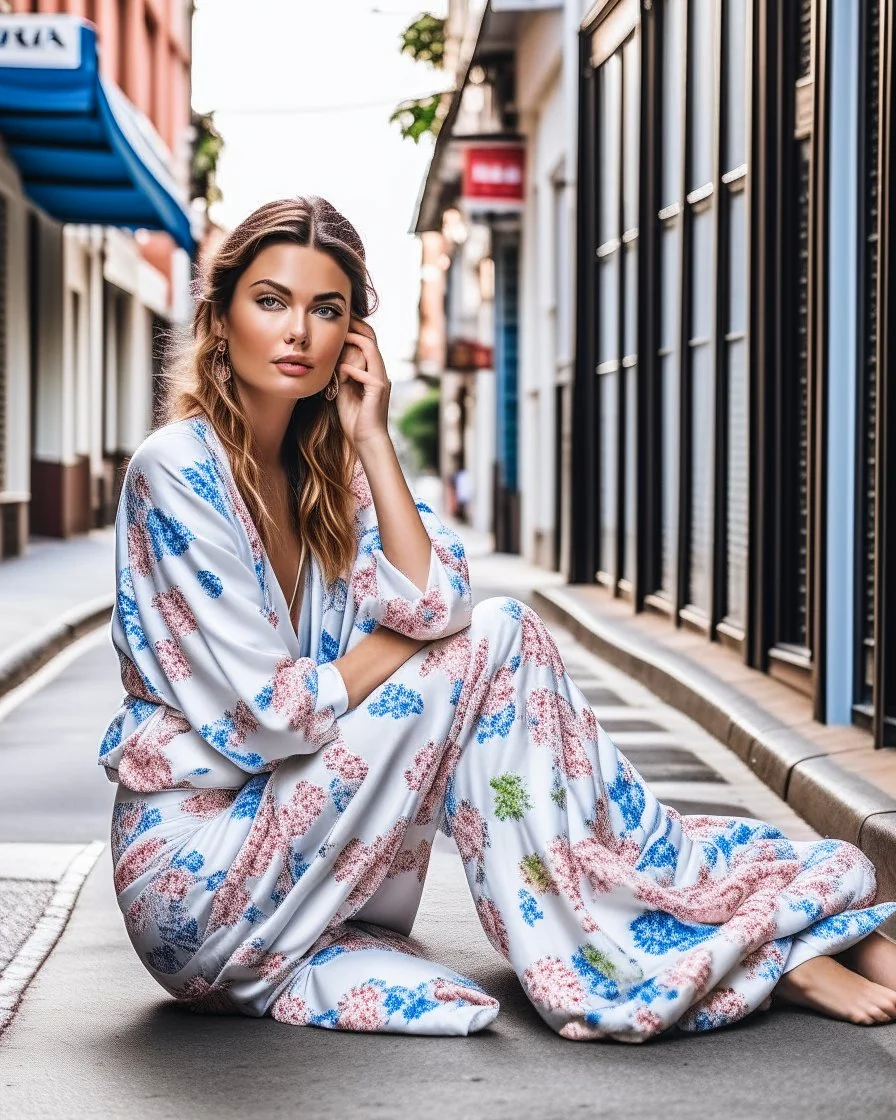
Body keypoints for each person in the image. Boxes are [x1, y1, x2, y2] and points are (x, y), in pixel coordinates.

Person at [98, 196, 896, 1042]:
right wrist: (404, 638)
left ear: (352, 340)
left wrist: (372, 438)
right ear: (219, 318)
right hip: (199, 875)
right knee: (499, 637)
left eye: (325, 309)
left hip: (301, 854)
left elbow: (441, 602)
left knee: (499, 641)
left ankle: (759, 926)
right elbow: (269, 718)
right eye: (270, 301)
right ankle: (735, 945)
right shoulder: (176, 470)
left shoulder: (329, 473)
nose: (296, 330)